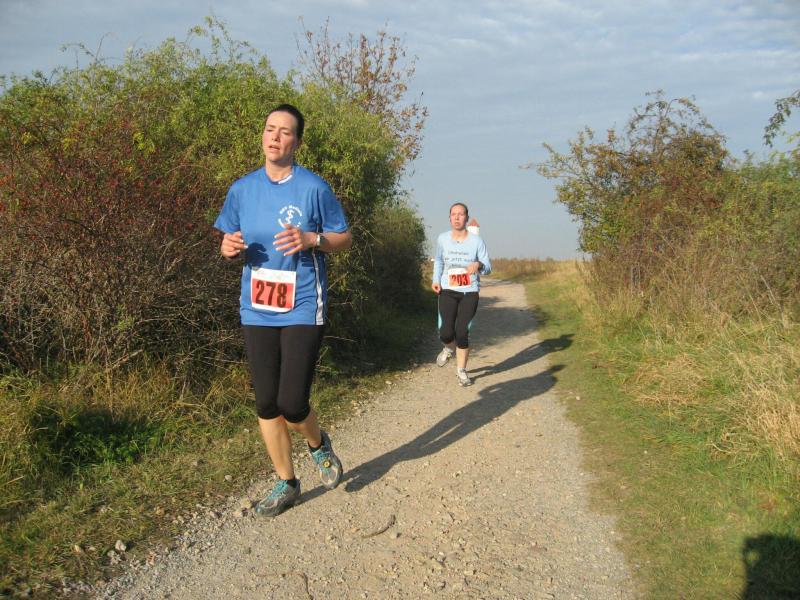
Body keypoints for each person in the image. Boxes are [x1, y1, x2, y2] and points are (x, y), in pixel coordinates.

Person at [215, 104, 353, 517]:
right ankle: (286, 482)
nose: (275, 137)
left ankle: (318, 444)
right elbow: (228, 240)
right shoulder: (242, 189)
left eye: (285, 131)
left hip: (303, 304)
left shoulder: (313, 188)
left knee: (292, 403)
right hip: (257, 306)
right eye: (269, 129)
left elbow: (343, 237)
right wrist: (227, 248)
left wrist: (313, 239)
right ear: (262, 135)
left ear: (297, 142)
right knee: (265, 403)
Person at [431, 202, 491, 386]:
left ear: (466, 218)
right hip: (448, 290)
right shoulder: (442, 239)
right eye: (453, 214)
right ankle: (449, 348)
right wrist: (435, 280)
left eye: (461, 214)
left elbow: (488, 267)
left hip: (469, 292)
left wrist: (478, 264)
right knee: (446, 333)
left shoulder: (477, 241)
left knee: (462, 332)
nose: (457, 217)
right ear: (449, 218)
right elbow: (439, 261)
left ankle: (461, 371)